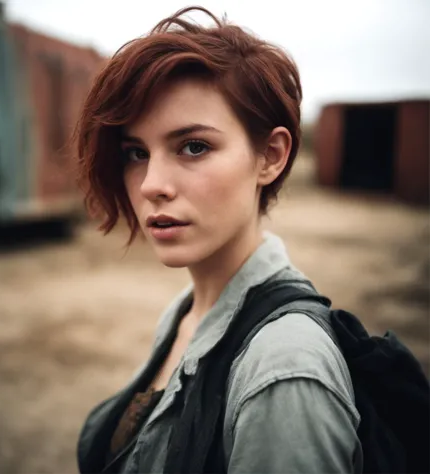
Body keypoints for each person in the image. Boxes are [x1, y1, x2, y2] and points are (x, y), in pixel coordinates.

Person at [75, 6, 362, 473]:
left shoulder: (283, 369)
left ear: (270, 156)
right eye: (136, 152)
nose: (151, 184)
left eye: (193, 146)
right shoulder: (187, 313)